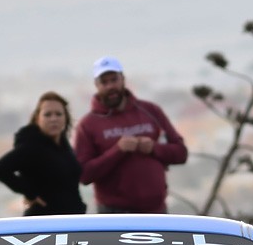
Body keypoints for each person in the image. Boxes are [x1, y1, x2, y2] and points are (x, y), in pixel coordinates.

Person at [74, 57, 188, 214]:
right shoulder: (87, 124)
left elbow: (181, 153)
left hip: (156, 209)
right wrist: (117, 151)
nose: (110, 86)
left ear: (123, 79)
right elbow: (84, 175)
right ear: (96, 85)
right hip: (114, 212)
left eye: (114, 80)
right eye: (104, 82)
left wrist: (154, 148)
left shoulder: (151, 111)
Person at [0, 91, 87, 215]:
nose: (54, 119)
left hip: (71, 218)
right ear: (38, 118)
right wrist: (29, 193)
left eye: (58, 114)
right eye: (47, 114)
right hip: (44, 221)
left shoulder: (62, 143)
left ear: (66, 117)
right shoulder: (32, 146)